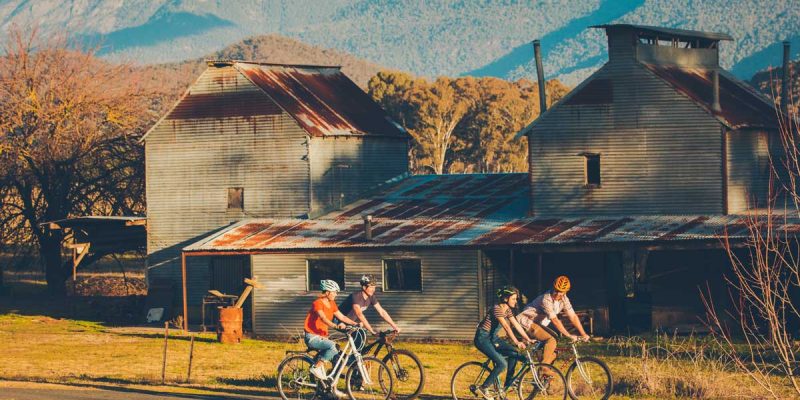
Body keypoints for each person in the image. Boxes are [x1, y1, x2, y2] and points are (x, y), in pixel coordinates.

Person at [473, 285, 535, 400]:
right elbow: (506, 326)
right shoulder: (497, 309)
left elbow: (516, 324)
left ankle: (508, 383)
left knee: (514, 353)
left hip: (493, 338)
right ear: (505, 298)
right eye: (513, 299)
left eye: (516, 299)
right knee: (502, 363)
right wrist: (516, 341)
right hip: (482, 339)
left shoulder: (508, 310)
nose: (516, 302)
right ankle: (484, 387)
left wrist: (527, 338)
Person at [516, 275, 590, 366]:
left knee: (552, 352)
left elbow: (573, 316)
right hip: (527, 321)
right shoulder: (546, 299)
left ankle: (542, 376)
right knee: (551, 339)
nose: (558, 294)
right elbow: (555, 320)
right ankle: (544, 368)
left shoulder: (564, 299)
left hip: (539, 324)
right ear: (553, 287)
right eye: (556, 291)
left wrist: (583, 333)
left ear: (566, 292)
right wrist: (568, 335)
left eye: (561, 292)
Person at [303, 279, 360, 380]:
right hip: (312, 337)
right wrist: (335, 326)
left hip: (322, 337)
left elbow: (342, 317)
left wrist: (356, 324)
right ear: (328, 292)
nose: (336, 294)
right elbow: (323, 318)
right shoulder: (318, 303)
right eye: (334, 292)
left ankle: (330, 384)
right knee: (332, 347)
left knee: (337, 355)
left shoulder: (332, 303)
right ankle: (316, 368)